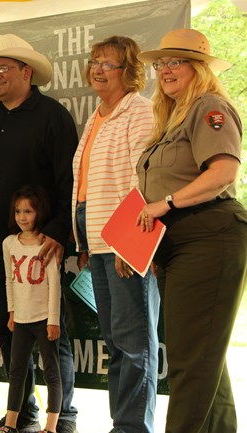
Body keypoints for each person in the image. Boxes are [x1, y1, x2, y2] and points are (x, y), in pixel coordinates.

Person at [135, 28, 247, 433]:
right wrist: (134, 247)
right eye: (160, 63)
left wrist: (166, 203)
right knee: (203, 361)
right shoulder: (170, 119)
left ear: (198, 67)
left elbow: (223, 171)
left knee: (189, 363)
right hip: (175, 242)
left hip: (209, 236)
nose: (164, 70)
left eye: (175, 61)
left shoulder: (209, 106)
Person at [0, 33, 79, 433]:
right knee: (9, 327)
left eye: (3, 68)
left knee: (51, 332)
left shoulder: (53, 116)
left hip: (42, 245)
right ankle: (26, 409)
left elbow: (68, 180)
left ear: (26, 72)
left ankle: (62, 414)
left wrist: (56, 232)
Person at [71, 36, 159, 433]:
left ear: (130, 71)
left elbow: (141, 181)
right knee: (116, 340)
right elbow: (87, 185)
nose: (98, 69)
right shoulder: (96, 115)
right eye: (94, 61)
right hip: (98, 238)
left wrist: (129, 242)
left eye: (108, 63)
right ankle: (122, 424)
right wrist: (85, 243)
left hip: (125, 238)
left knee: (134, 340)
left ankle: (132, 428)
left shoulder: (139, 111)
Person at [0, 186, 62, 433]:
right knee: (17, 372)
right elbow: (8, 279)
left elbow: (54, 283)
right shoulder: (9, 243)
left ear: (39, 212)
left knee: (51, 373)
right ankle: (10, 423)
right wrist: (12, 313)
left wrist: (53, 320)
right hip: (22, 319)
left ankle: (51, 426)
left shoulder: (48, 244)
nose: (22, 217)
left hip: (44, 319)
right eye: (18, 211)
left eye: (28, 211)